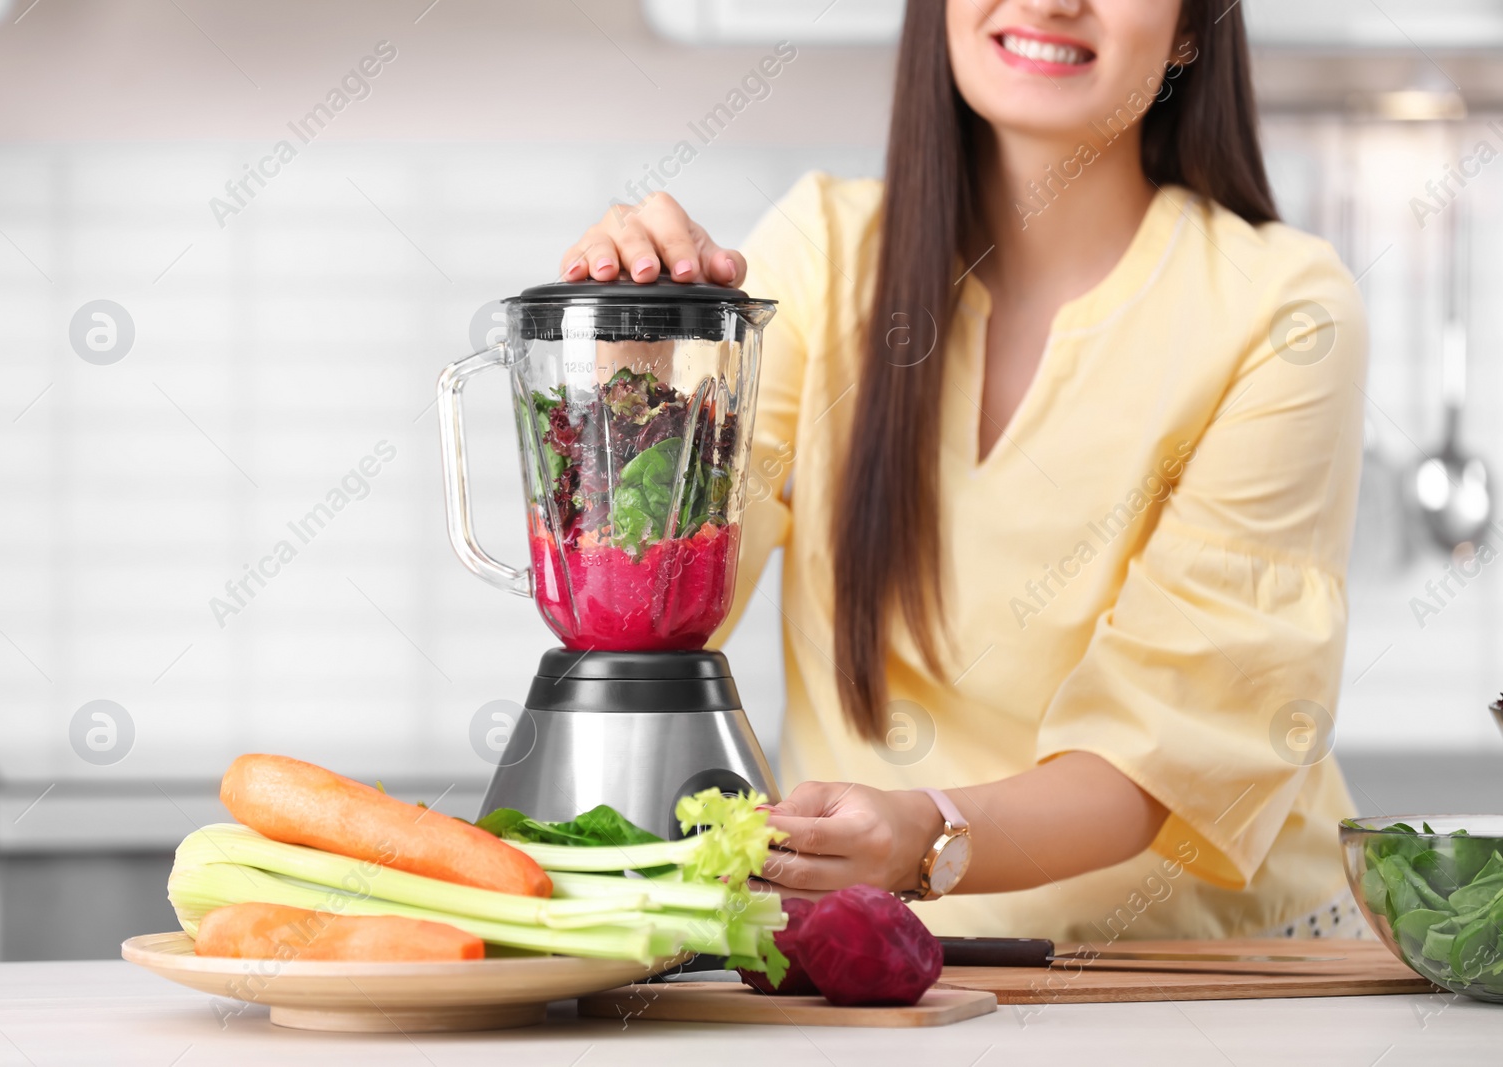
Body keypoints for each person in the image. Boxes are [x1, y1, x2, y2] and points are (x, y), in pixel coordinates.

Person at [558, 0, 1366, 941]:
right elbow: (658, 613)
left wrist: (926, 834)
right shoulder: (824, 254)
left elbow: (1165, 752)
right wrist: (640, 361)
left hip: (1219, 975)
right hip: (897, 971)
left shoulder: (1284, 312)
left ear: (1194, 27)